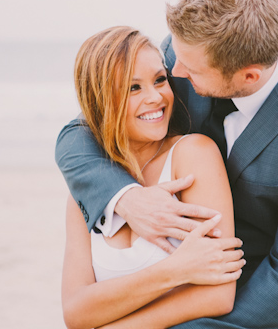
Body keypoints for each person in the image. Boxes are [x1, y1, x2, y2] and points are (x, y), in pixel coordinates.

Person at [56, 0, 278, 328]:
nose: (174, 71)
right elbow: (86, 128)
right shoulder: (186, 51)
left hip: (255, 314)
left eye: (188, 69)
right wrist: (124, 197)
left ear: (248, 76)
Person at [60, 26, 245, 329]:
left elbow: (218, 295)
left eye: (160, 80)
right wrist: (174, 271)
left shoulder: (193, 155)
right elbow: (76, 312)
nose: (155, 97)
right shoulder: (87, 190)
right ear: (101, 100)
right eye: (134, 88)